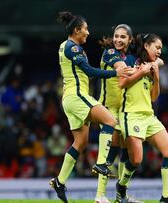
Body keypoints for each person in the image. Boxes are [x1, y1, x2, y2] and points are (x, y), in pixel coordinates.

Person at [49, 11, 133, 203]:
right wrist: (115, 73)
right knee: (110, 120)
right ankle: (102, 164)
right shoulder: (74, 48)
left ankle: (60, 181)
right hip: (77, 96)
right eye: (85, 29)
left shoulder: (64, 46)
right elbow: (89, 71)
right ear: (77, 30)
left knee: (80, 142)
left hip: (69, 99)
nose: (88, 32)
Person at [116, 33, 168, 203]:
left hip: (149, 116)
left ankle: (166, 197)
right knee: (137, 160)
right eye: (157, 47)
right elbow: (122, 83)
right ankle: (122, 185)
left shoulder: (152, 66)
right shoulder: (130, 60)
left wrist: (156, 76)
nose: (160, 51)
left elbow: (154, 97)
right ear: (146, 46)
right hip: (131, 115)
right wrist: (142, 71)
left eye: (161, 48)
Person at [94, 24, 143, 203]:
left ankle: (120, 196)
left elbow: (153, 59)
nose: (118, 40)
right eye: (116, 36)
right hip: (107, 109)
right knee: (111, 149)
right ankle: (100, 195)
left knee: (125, 148)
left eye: (123, 37)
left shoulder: (131, 57)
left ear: (130, 40)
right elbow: (123, 69)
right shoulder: (109, 53)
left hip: (124, 109)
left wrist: (155, 63)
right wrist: (144, 69)